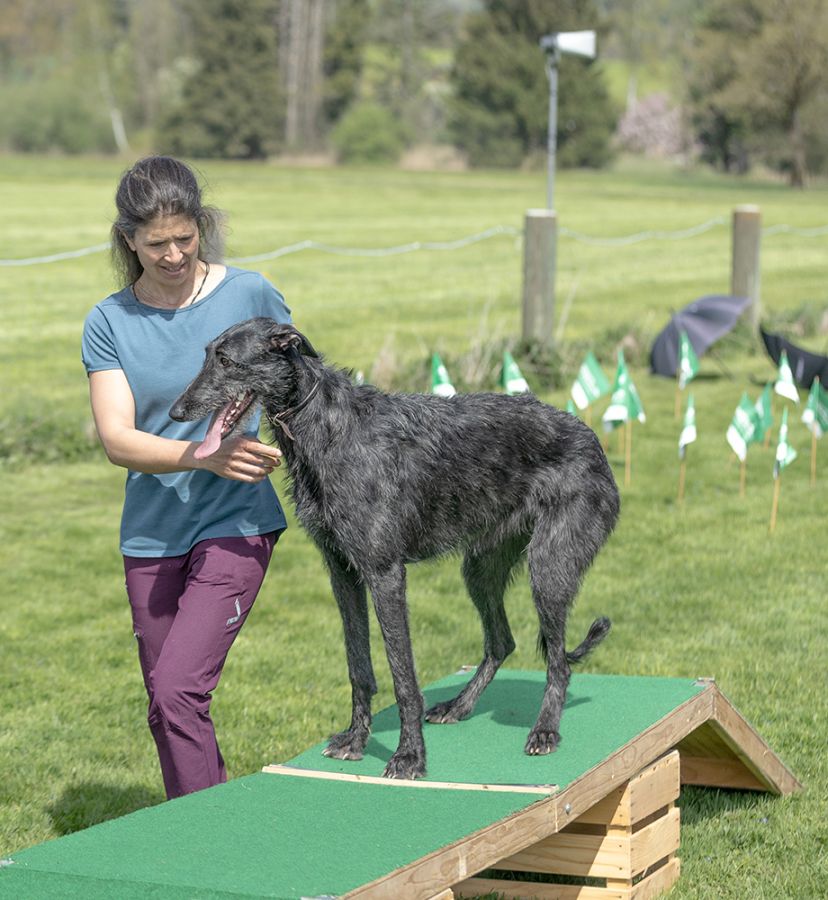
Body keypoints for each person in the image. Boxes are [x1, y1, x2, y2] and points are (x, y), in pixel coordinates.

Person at [81, 156, 289, 799]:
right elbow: (117, 438)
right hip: (151, 531)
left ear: (202, 226)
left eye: (185, 238)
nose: (173, 255)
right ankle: (201, 825)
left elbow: (300, 382)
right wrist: (202, 455)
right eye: (156, 244)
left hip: (236, 518)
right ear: (128, 240)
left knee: (177, 690)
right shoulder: (109, 322)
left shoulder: (250, 294)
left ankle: (207, 839)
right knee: (166, 705)